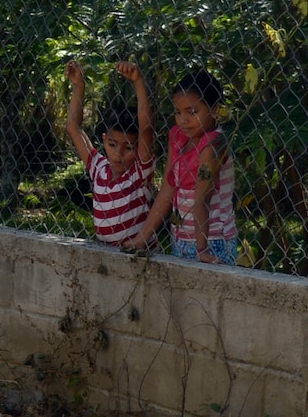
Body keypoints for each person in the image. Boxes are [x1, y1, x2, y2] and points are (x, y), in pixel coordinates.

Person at [127, 71, 237, 264]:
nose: (183, 119)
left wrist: (201, 249)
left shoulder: (214, 144)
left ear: (214, 109)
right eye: (178, 112)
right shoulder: (178, 137)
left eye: (192, 112)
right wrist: (142, 238)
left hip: (213, 242)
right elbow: (169, 187)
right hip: (181, 238)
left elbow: (202, 197)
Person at [64, 57, 154, 248]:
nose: (119, 153)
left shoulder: (139, 173)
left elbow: (146, 129)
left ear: (138, 148)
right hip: (105, 254)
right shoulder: (99, 168)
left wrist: (138, 82)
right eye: (112, 145)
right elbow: (73, 127)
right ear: (104, 140)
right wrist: (79, 85)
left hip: (138, 257)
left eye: (129, 148)